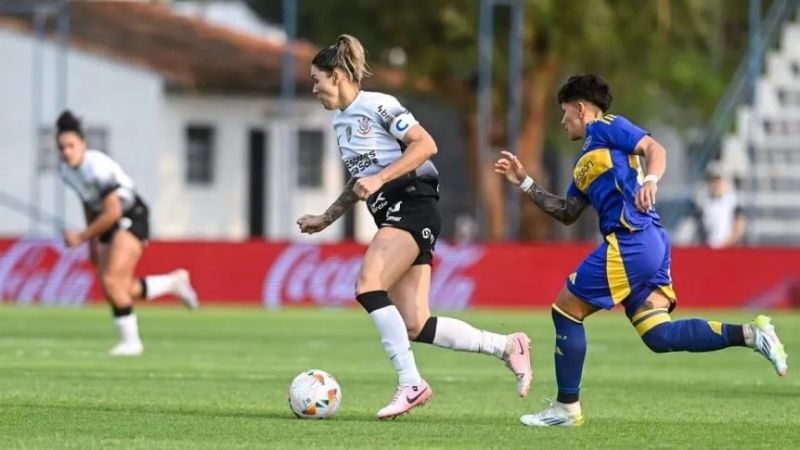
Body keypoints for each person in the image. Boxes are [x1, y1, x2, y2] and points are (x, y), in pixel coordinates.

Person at [493, 74, 788, 427]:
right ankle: (753, 335)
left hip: (632, 239)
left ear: (582, 109)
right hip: (647, 242)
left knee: (566, 310)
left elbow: (655, 150)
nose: (562, 120)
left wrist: (651, 180)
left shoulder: (605, 126)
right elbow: (568, 213)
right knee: (659, 336)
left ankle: (566, 408)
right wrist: (524, 182)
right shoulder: (586, 161)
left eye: (565, 112)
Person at [296, 34, 532, 420]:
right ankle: (507, 346)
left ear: (337, 76)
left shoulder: (379, 105)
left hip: (413, 203)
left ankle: (411, 383)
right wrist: (327, 217)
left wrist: (381, 179)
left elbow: (425, 145)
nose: (314, 88)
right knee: (415, 323)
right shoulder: (342, 123)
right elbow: (362, 181)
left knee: (368, 283)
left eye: (316, 79)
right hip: (394, 211)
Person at [56, 110, 199, 357]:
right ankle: (172, 283)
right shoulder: (67, 171)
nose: (67, 151)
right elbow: (88, 203)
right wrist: (90, 243)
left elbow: (112, 212)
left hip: (131, 214)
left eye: (71, 145)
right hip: (107, 221)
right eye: (62, 147)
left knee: (112, 282)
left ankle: (132, 344)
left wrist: (80, 237)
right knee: (116, 287)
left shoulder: (95, 165)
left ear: (83, 144)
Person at [693, 161, 747, 248]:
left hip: (728, 248)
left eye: (719, 180)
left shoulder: (733, 201)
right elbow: (699, 227)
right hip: (709, 248)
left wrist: (727, 244)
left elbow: (739, 226)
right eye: (714, 180)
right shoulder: (704, 203)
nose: (717, 184)